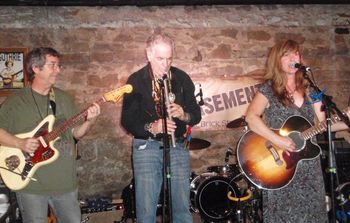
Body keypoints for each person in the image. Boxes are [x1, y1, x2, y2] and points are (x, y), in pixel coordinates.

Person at [245, 39, 350, 222]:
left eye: (296, 54)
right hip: (280, 167)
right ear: (277, 60)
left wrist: (346, 119)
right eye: (287, 54)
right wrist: (277, 140)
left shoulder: (309, 89)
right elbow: (251, 118)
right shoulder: (268, 90)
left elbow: (325, 123)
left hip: (309, 166)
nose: (293, 58)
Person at [0, 47, 101, 223]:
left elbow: (75, 134)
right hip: (31, 184)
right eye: (52, 65)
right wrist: (20, 143)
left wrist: (90, 121)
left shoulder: (64, 99)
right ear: (36, 69)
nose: (58, 70)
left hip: (65, 184)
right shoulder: (15, 102)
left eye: (58, 65)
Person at [121, 32, 201, 223]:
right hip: (146, 146)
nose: (165, 64)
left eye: (169, 58)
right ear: (148, 55)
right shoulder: (135, 81)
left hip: (177, 145)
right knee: (146, 207)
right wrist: (153, 127)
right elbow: (127, 120)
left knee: (181, 205)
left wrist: (184, 114)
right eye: (160, 58)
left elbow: (195, 115)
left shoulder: (181, 78)